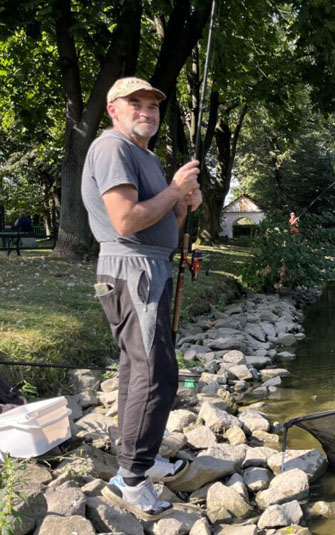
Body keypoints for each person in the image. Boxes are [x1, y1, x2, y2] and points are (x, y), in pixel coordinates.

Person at [81, 77, 201, 520]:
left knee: (138, 369)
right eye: (136, 103)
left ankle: (140, 461)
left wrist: (182, 201)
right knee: (156, 374)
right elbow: (126, 220)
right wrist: (173, 189)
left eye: (152, 105)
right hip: (133, 270)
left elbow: (163, 215)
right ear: (114, 109)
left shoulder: (144, 156)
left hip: (150, 268)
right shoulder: (113, 148)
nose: (146, 111)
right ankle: (131, 479)